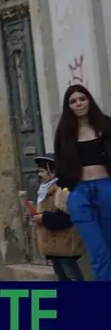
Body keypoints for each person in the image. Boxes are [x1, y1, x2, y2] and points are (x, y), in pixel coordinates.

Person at [53, 84, 111, 280]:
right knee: (98, 252)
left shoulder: (106, 126)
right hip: (80, 193)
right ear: (68, 106)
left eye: (82, 99)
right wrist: (68, 191)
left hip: (106, 189)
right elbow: (60, 165)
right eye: (73, 101)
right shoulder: (64, 132)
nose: (79, 104)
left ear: (89, 100)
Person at [31, 154, 85, 281]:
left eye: (43, 171)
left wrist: (44, 218)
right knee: (61, 276)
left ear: (54, 171)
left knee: (71, 275)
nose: (40, 175)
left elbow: (67, 217)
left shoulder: (61, 189)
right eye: (38, 171)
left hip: (63, 243)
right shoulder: (44, 190)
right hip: (52, 244)